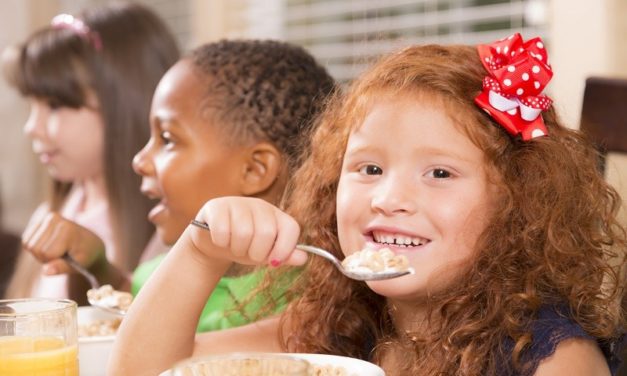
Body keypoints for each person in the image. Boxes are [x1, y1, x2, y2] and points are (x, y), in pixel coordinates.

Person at [110, 34, 626, 375]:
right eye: (369, 169)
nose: (389, 199)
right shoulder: (338, 330)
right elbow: (145, 370)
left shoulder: (554, 361)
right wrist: (201, 253)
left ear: (521, 204)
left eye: (439, 173)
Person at [130, 39, 335, 332]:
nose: (139, 160)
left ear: (254, 170)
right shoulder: (154, 276)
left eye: (167, 139)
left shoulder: (309, 308)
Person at [2, 1, 180, 303]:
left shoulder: (167, 233)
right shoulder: (50, 214)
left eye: (55, 106)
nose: (32, 127)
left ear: (123, 106)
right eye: (32, 105)